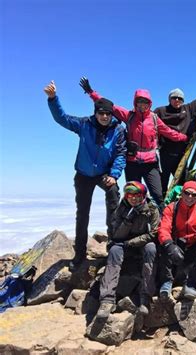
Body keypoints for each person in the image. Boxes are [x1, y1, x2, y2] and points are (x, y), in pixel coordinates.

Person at [44, 80, 126, 271]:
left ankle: (112, 247)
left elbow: (121, 154)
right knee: (82, 214)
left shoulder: (118, 130)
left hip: (103, 174)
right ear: (95, 113)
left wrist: (114, 174)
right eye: (101, 113)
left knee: (113, 198)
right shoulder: (84, 124)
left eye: (107, 113)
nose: (104, 116)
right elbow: (62, 119)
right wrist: (53, 99)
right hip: (83, 175)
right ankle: (79, 253)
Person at [79, 77, 187, 209]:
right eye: (139, 102)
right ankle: (132, 224)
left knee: (158, 195)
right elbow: (108, 106)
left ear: (150, 104)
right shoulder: (129, 115)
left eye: (145, 102)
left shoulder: (154, 118)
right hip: (132, 162)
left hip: (150, 164)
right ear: (135, 103)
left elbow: (168, 132)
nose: (142, 105)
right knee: (132, 194)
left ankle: (162, 223)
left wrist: (184, 137)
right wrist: (91, 92)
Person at [96, 182, 159, 321]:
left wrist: (130, 243)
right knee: (114, 251)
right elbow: (116, 234)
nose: (134, 198)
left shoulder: (152, 208)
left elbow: (154, 233)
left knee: (151, 248)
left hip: (141, 243)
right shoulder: (122, 208)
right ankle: (107, 300)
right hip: (122, 243)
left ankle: (145, 298)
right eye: (130, 195)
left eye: (138, 195)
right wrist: (129, 218)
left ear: (143, 195)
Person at [154, 80, 196, 196]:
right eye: (174, 97)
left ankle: (179, 207)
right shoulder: (160, 111)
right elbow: (149, 124)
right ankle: (161, 209)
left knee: (183, 185)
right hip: (164, 155)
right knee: (161, 185)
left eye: (180, 98)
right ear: (169, 99)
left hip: (181, 156)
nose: (177, 100)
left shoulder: (188, 109)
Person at [158, 181, 196, 300]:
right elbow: (164, 228)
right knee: (164, 247)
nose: (190, 197)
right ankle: (167, 282)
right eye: (187, 193)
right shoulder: (172, 208)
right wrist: (169, 245)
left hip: (194, 244)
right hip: (177, 242)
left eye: (194, 195)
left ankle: (191, 284)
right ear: (181, 193)